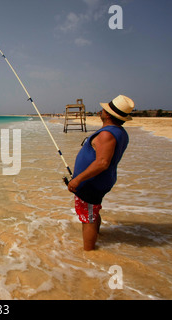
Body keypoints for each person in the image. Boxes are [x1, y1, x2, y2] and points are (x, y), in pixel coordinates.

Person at [68, 95, 135, 251]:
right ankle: (98, 237)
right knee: (93, 210)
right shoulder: (118, 131)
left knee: (88, 218)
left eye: (105, 109)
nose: (102, 110)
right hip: (99, 181)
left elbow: (102, 163)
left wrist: (77, 180)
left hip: (92, 183)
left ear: (109, 115)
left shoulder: (107, 134)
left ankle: (89, 253)